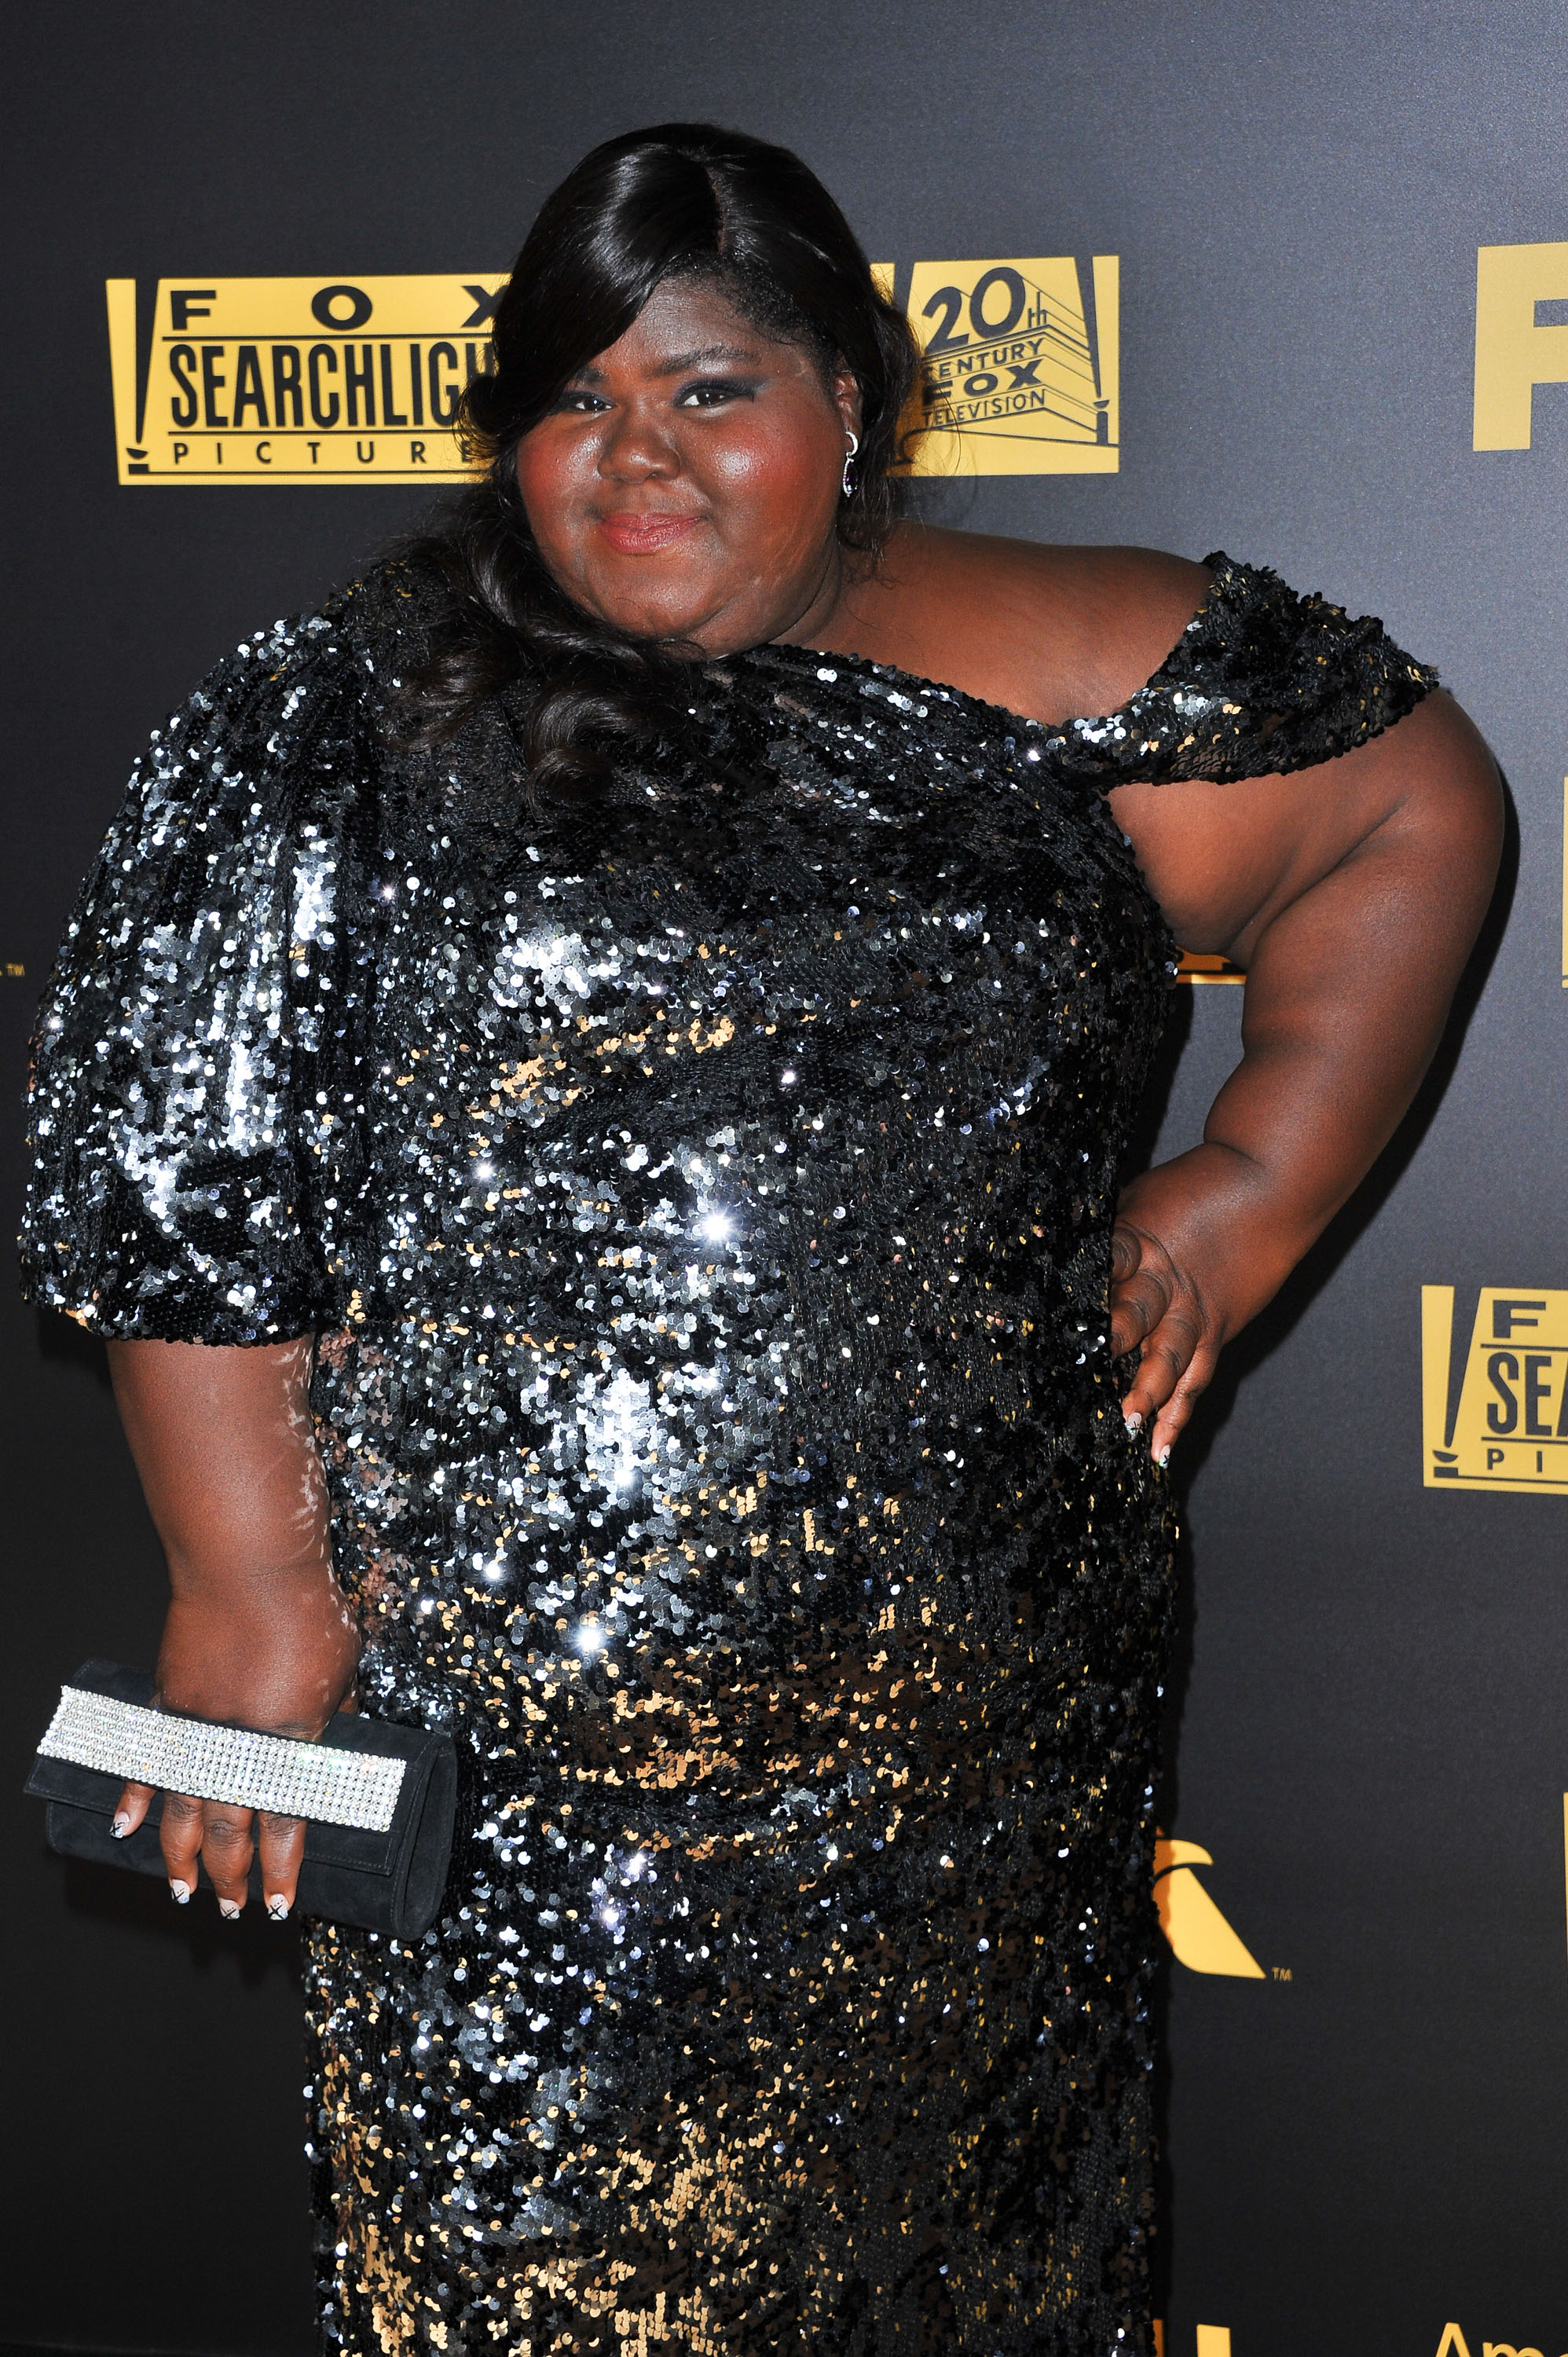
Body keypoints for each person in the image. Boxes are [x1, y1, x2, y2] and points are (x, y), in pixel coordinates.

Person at [21, 121, 1499, 2357]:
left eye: (710, 392)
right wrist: (249, 1583)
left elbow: (1405, 799)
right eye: (572, 403)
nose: (636, 463)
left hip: (981, 1785)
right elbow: (199, 1188)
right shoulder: (329, 726)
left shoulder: (1064, 665)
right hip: (526, 1798)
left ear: (851, 406)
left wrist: (1246, 1191)